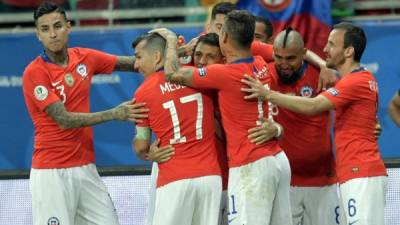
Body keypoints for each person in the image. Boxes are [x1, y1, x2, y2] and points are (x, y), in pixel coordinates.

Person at [153, 10, 292, 225]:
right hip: (277, 160)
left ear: (225, 38)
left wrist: (172, 43)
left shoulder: (224, 74)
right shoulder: (260, 64)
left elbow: (172, 74)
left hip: (251, 164)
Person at [241, 22, 387, 225]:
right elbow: (241, 43)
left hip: (342, 175)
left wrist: (268, 94)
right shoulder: (360, 79)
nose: (325, 49)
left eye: (331, 44)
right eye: (279, 57)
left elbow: (314, 106)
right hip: (304, 178)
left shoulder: (343, 80)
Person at [22, 3, 149, 225]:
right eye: (45, 29)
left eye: (57, 26)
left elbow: (134, 63)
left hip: (85, 167)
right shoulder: (35, 73)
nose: (52, 34)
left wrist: (170, 54)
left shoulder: (84, 57)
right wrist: (114, 113)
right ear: (38, 35)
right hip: (52, 173)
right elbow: (63, 119)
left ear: (68, 27)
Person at [132, 32, 222, 225]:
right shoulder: (198, 78)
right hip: (211, 178)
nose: (135, 65)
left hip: (174, 180)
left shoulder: (142, 93)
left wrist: (148, 153)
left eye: (139, 57)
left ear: (157, 57)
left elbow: (141, 146)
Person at [254, 28, 339, 225]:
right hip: (283, 183)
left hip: (322, 180)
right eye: (278, 57)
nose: (283, 64)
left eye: (291, 58)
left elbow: (350, 105)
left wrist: (373, 123)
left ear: (303, 54)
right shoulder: (263, 75)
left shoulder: (322, 76)